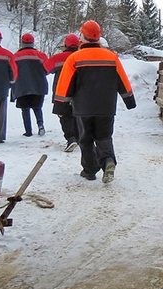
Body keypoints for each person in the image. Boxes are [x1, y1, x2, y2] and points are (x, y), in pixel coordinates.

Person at [53, 20, 136, 183]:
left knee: (85, 139)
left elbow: (64, 85)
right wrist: (129, 100)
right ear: (99, 37)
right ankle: (108, 160)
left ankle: (89, 170)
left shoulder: (74, 58)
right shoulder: (111, 57)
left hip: (83, 108)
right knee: (104, 137)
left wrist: (61, 106)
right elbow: (123, 81)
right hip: (106, 107)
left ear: (82, 37)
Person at [44, 33, 80, 152]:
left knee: (64, 115)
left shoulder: (58, 58)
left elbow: (46, 69)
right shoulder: (82, 56)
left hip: (62, 92)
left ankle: (70, 138)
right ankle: (79, 137)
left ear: (66, 44)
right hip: (80, 91)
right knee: (78, 114)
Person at [11, 33, 49, 137]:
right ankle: (40, 125)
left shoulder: (15, 57)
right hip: (39, 86)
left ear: (22, 43)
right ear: (32, 43)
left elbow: (12, 71)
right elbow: (47, 70)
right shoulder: (41, 56)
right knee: (37, 107)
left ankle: (28, 131)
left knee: (25, 109)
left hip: (21, 87)